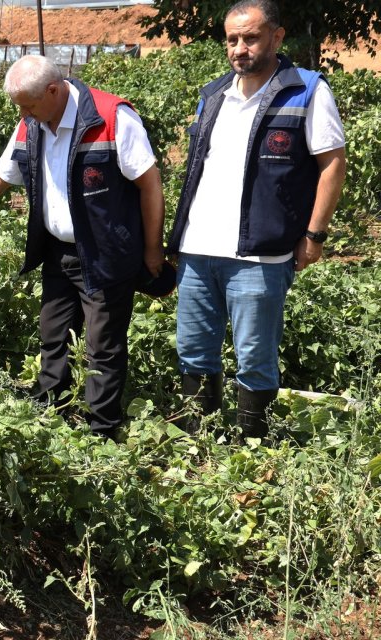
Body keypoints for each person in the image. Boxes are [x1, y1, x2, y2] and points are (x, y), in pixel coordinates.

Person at [0, 55, 166, 439]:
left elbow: (150, 183)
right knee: (54, 336)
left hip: (106, 252)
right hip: (60, 251)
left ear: (54, 91)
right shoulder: (32, 124)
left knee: (102, 346)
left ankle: (101, 432)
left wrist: (152, 248)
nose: (23, 113)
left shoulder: (112, 118)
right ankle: (49, 419)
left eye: (28, 104)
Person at [167, 0, 346, 439]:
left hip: (260, 253)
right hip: (197, 249)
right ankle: (197, 443)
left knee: (254, 355)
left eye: (250, 38)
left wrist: (315, 234)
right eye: (232, 40)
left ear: (277, 37)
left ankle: (252, 446)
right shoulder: (213, 95)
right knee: (193, 350)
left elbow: (332, 163)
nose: (239, 49)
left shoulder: (306, 90)